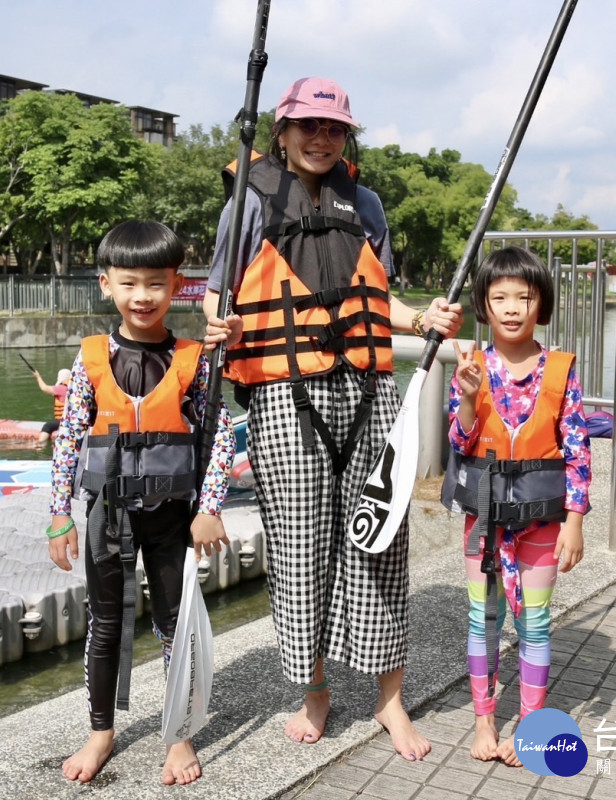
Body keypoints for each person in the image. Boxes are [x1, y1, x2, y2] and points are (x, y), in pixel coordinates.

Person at [203, 77, 463, 760]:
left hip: (369, 391)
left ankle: (389, 701)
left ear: (346, 138)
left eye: (334, 129)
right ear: (282, 133)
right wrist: (218, 327)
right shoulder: (249, 201)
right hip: (285, 395)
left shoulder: (367, 202)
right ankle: (315, 692)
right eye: (307, 127)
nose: (321, 139)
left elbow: (383, 300)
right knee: (300, 546)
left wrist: (424, 319)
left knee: (381, 540)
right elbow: (215, 298)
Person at [47, 220, 235, 786]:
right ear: (106, 285)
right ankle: (101, 731)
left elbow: (219, 434)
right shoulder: (91, 358)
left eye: (156, 283)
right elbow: (69, 436)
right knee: (105, 624)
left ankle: (179, 735)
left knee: (175, 626)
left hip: (172, 517)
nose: (143, 296)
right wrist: (59, 513)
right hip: (107, 515)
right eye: (129, 283)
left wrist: (210, 506)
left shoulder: (195, 359)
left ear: (178, 285)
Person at [444, 246, 591, 766]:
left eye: (523, 297)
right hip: (482, 522)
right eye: (499, 297)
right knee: (481, 620)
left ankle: (531, 719)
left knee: (537, 622)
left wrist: (575, 521)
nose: (511, 307)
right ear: (484, 304)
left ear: (541, 304)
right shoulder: (471, 366)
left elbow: (577, 449)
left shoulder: (562, 369)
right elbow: (459, 443)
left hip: (542, 522)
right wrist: (465, 398)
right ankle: (484, 717)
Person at [33, 367, 71, 443]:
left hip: (65, 422)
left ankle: (39, 444)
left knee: (48, 426)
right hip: (71, 420)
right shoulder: (72, 388)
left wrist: (38, 377)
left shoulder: (61, 389)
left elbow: (44, 388)